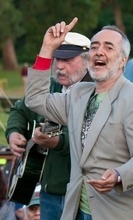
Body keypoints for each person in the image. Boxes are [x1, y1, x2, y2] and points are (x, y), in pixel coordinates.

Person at [25, 18, 133, 220]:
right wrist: (47, 48)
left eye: (108, 47)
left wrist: (119, 175)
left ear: (123, 59)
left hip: (117, 212)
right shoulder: (78, 93)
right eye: (94, 47)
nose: (99, 52)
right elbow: (35, 99)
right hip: (77, 209)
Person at [5, 32, 92, 220]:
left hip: (81, 193)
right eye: (57, 58)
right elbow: (19, 110)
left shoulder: (96, 93)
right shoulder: (48, 86)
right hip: (48, 191)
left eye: (68, 60)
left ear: (88, 61)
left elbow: (95, 139)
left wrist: (59, 142)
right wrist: (14, 133)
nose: (60, 66)